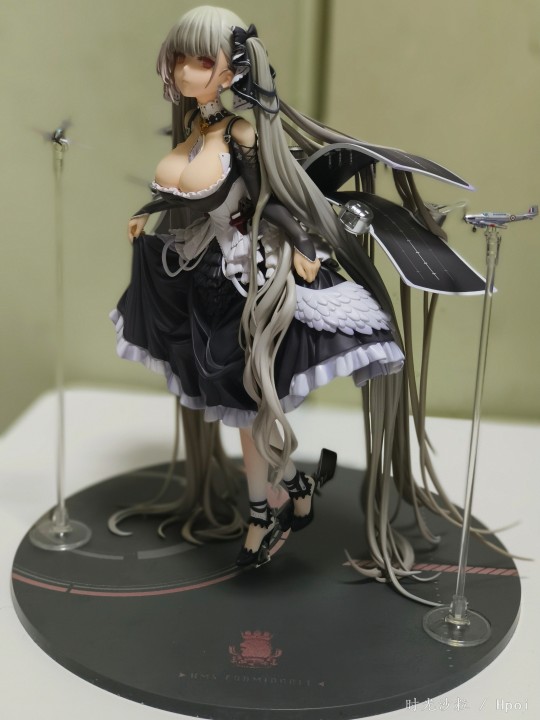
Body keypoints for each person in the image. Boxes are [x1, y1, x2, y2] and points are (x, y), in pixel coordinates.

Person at [110, 6, 448, 593]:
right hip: (205, 276)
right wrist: (147, 212)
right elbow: (185, 194)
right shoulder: (197, 131)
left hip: (249, 278)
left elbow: (276, 198)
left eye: (201, 60)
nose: (186, 71)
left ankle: (267, 509)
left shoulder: (239, 134)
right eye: (180, 58)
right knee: (241, 411)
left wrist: (304, 245)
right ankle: (292, 489)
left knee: (253, 408)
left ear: (231, 70)